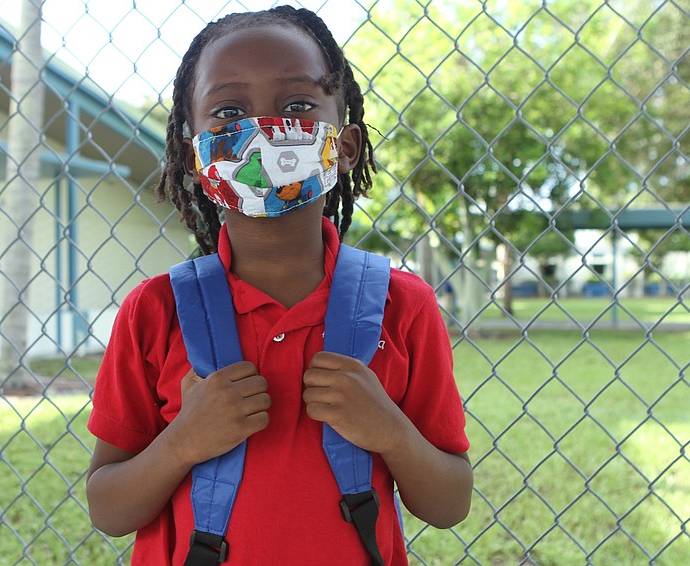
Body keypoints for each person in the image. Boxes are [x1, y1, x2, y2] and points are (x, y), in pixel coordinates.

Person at [85, 6, 472, 565]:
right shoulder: (155, 311)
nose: (264, 131)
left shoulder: (403, 305)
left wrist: (391, 432)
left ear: (346, 146)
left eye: (296, 105)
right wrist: (182, 442)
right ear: (194, 157)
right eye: (229, 110)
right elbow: (108, 510)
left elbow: (449, 502)